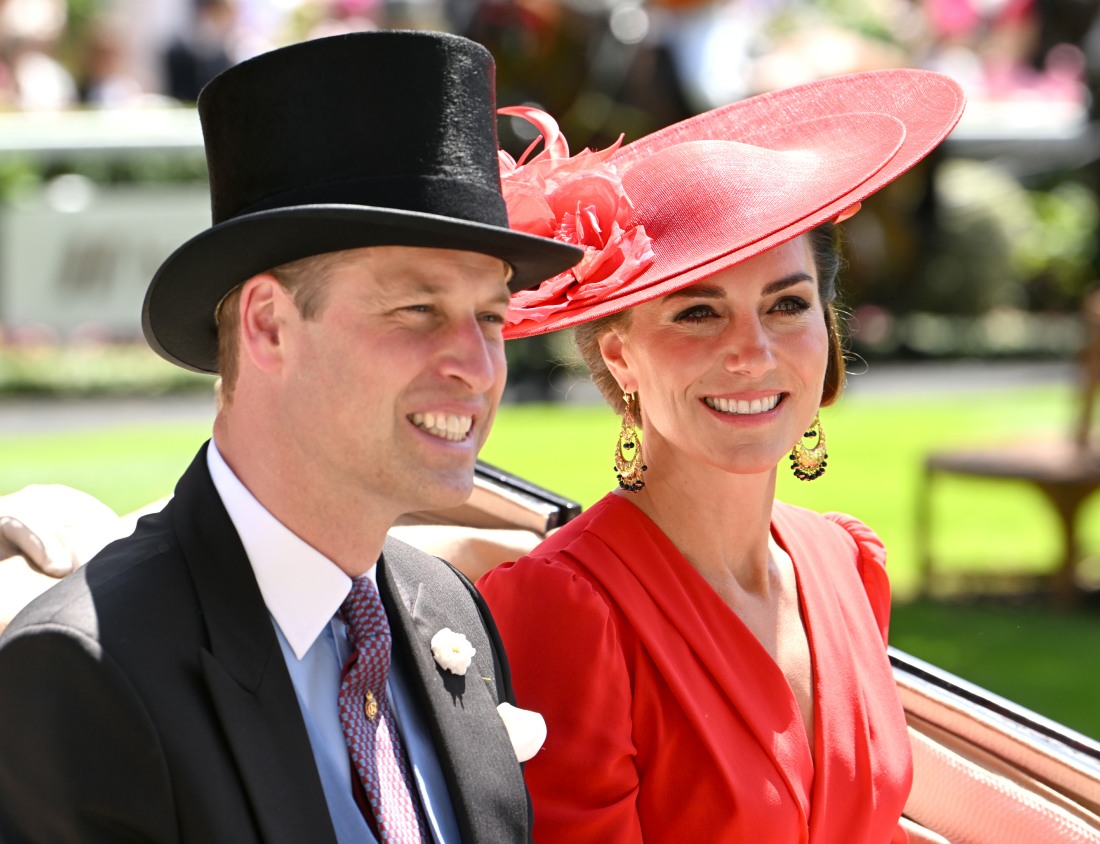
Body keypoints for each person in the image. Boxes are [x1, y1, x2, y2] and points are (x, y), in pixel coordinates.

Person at [0, 31, 580, 844]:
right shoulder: (82, 671)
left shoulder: (450, 612)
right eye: (417, 309)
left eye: (490, 316)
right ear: (269, 325)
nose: (477, 366)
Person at [478, 70, 966, 842]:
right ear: (621, 355)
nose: (754, 352)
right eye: (699, 312)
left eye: (787, 304)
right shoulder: (565, 608)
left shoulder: (846, 562)